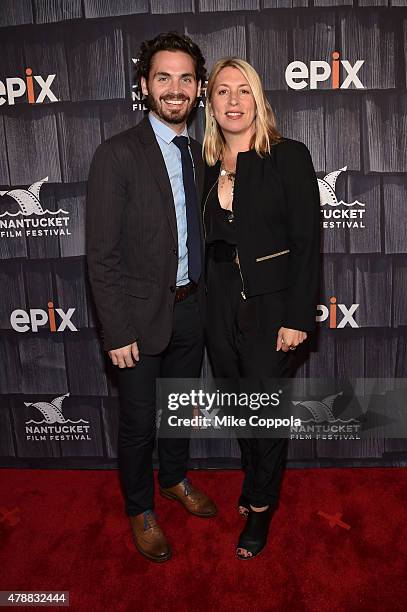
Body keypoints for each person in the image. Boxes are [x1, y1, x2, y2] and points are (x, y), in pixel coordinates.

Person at [86, 32, 217, 564]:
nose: (175, 88)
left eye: (185, 78)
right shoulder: (117, 154)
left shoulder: (205, 150)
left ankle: (176, 479)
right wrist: (116, 332)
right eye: (163, 77)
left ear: (200, 88)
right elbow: (101, 254)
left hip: (193, 310)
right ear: (144, 86)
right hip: (137, 321)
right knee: (140, 421)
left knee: (179, 411)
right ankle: (141, 506)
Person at [202, 58, 320, 560]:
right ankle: (254, 479)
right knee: (236, 404)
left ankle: (262, 505)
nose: (233, 100)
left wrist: (297, 317)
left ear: (259, 99)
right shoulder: (202, 164)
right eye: (223, 91)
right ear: (210, 104)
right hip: (217, 303)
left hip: (273, 306)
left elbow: (307, 243)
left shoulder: (288, 156)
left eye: (243, 90)